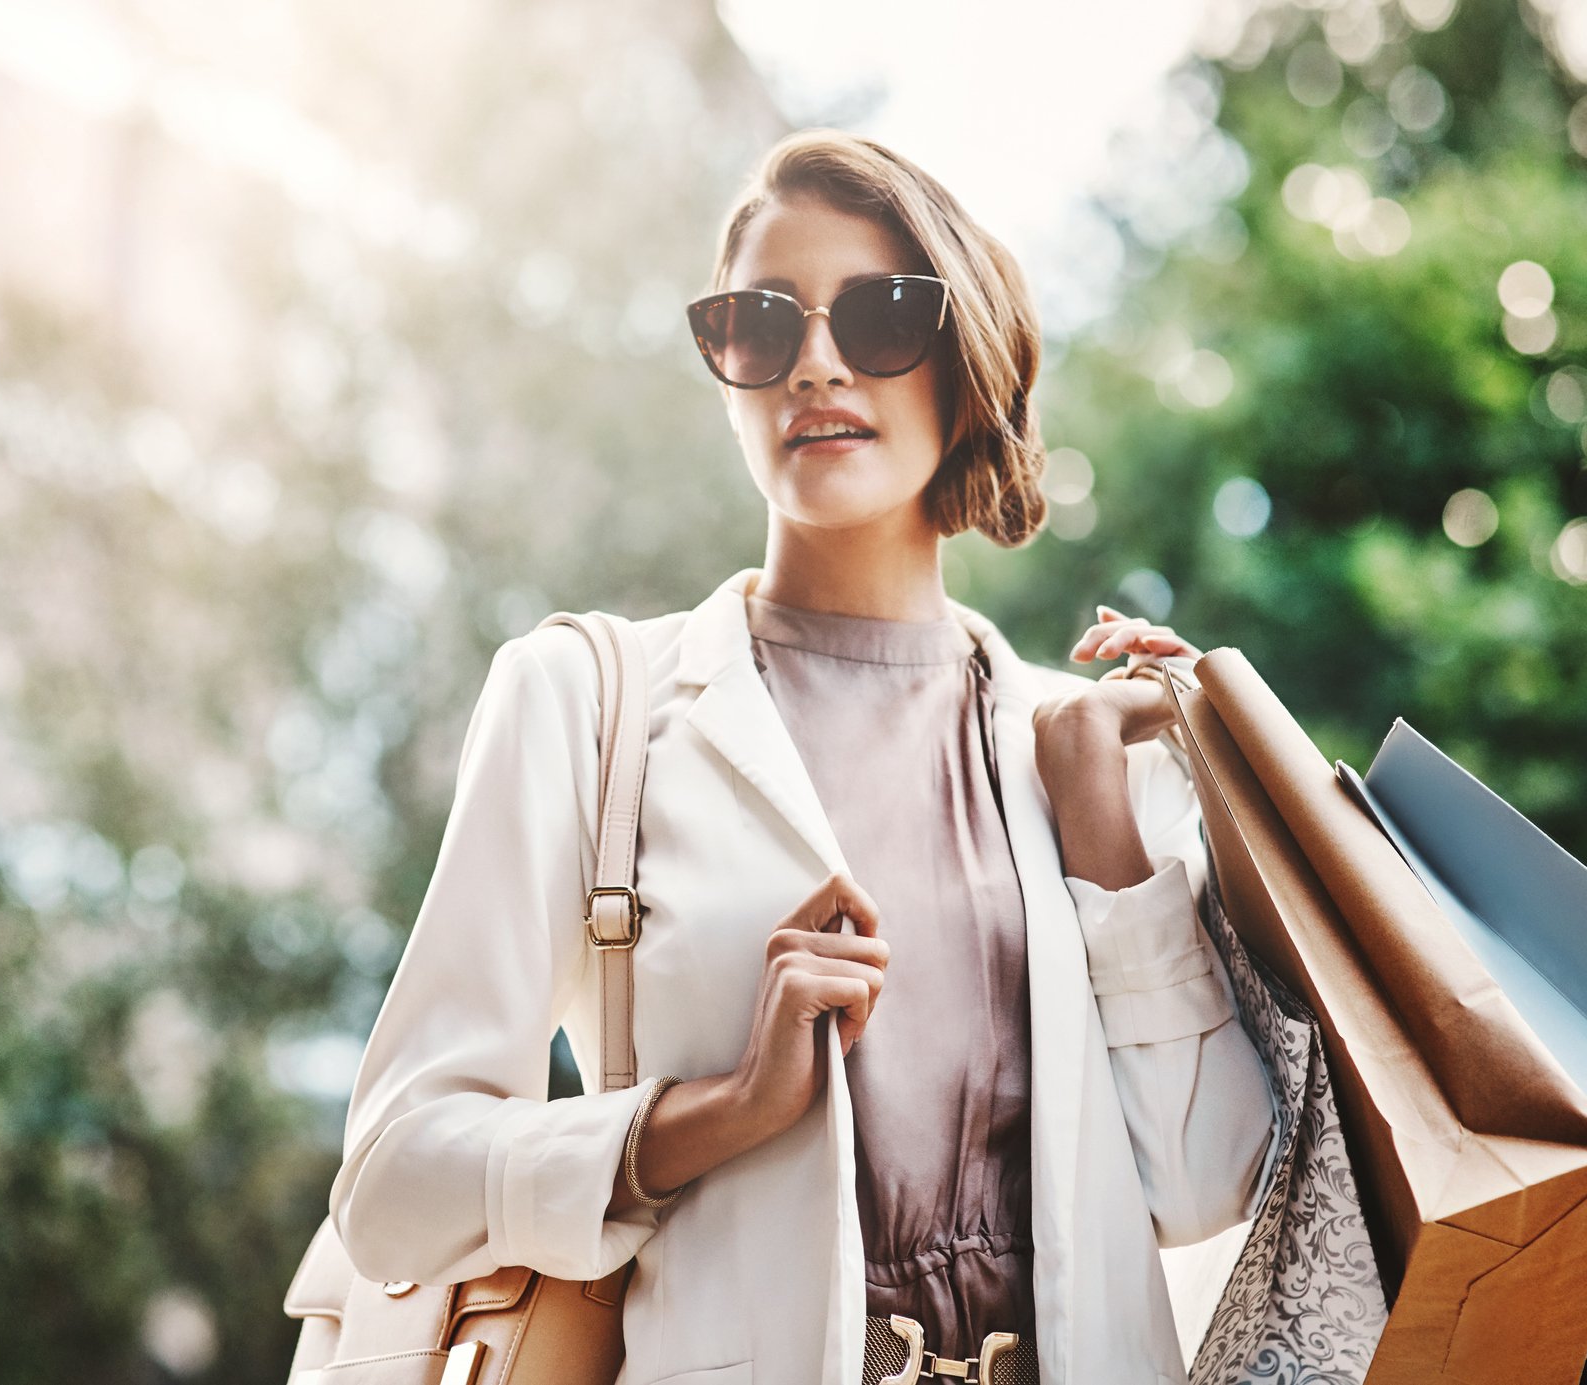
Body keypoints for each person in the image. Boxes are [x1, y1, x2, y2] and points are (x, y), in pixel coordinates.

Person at [327, 128, 1277, 1385]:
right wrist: (710, 1114)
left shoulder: (1083, 746)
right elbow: (393, 1184)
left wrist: (1104, 825)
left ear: (962, 357)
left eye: (882, 315)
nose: (815, 361)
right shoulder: (585, 701)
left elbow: (1208, 1180)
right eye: (760, 325)